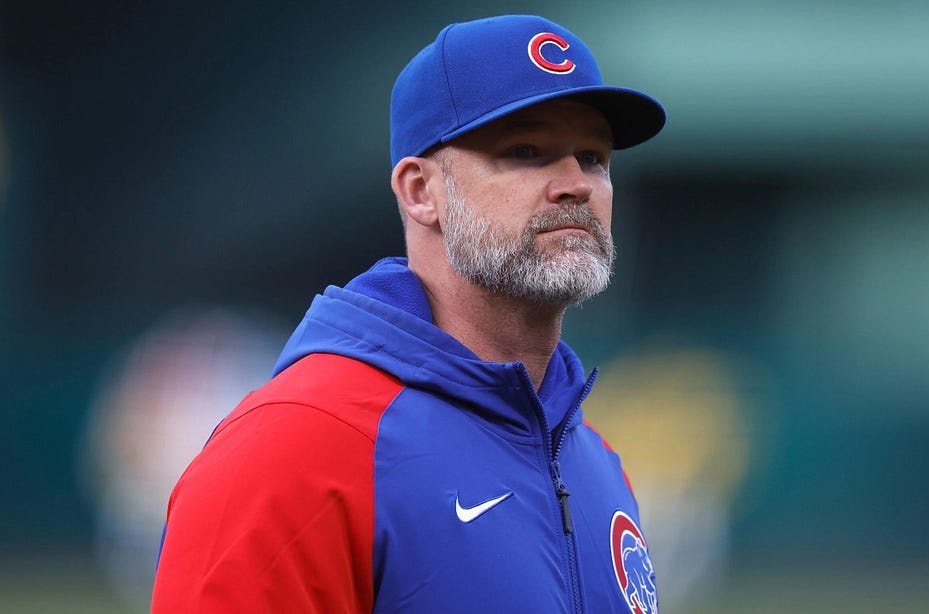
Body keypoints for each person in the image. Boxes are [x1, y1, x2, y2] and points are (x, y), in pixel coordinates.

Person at [151, 14, 665, 614]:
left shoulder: (592, 461)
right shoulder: (298, 445)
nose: (575, 184)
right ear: (421, 191)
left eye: (594, 157)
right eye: (526, 151)